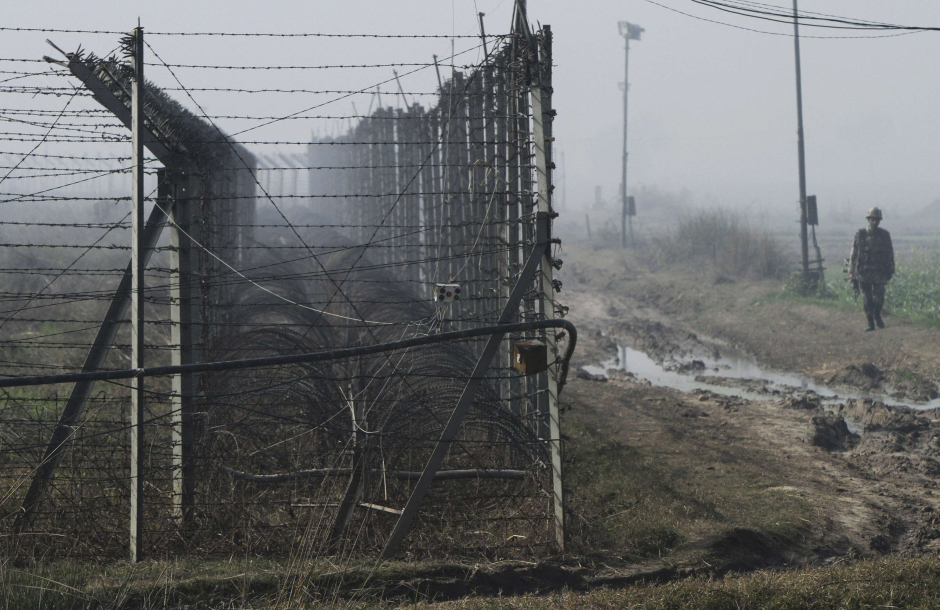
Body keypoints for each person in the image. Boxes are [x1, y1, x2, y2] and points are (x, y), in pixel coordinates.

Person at [848, 207, 895, 331]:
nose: (875, 222)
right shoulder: (861, 234)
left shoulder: (885, 235)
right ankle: (870, 322)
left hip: (880, 271)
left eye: (877, 219)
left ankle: (877, 315)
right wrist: (851, 271)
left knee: (879, 297)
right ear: (868, 220)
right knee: (867, 298)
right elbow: (854, 253)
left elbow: (890, 253)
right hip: (864, 271)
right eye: (873, 219)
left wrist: (891, 269)